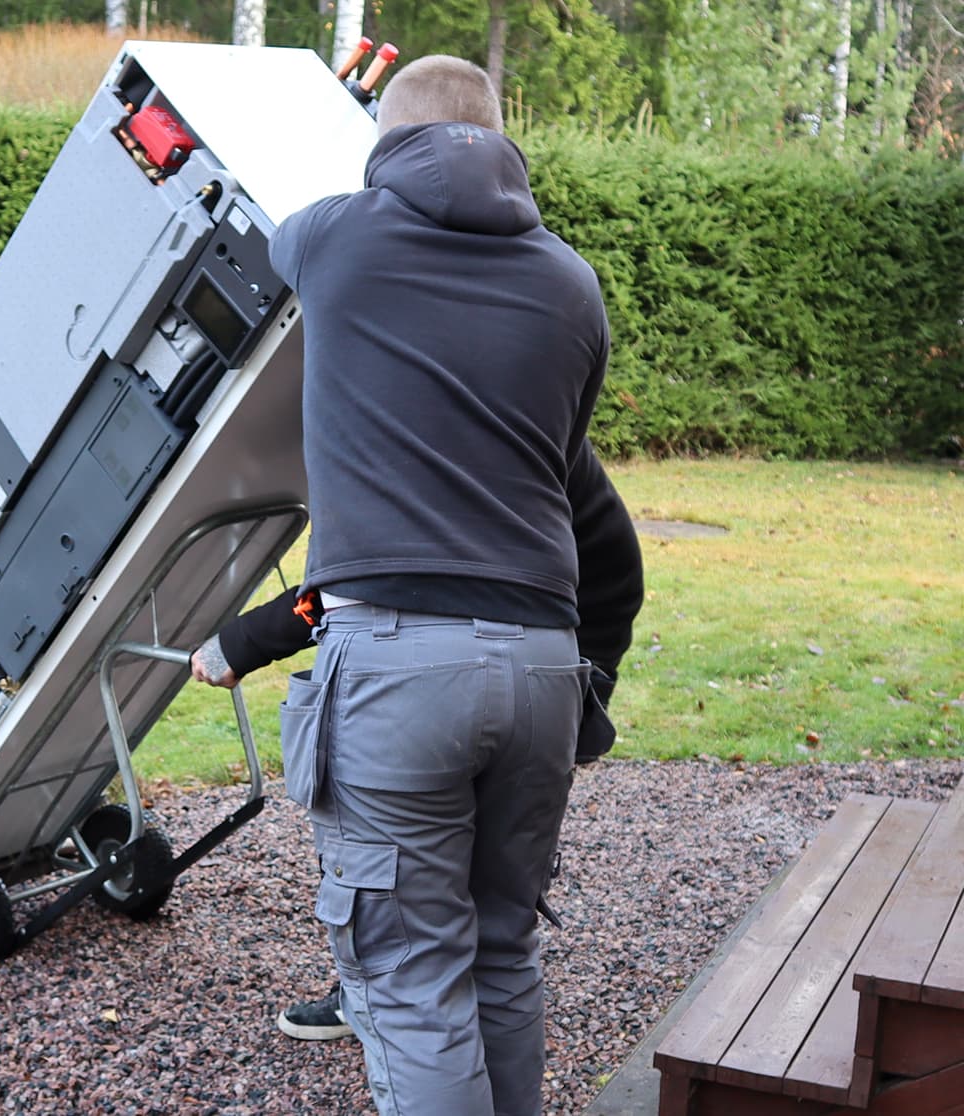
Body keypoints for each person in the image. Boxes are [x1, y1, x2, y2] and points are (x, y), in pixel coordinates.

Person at [187, 57, 645, 1115]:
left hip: (398, 667)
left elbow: (274, 230)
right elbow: (569, 473)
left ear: (384, 146)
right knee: (499, 957)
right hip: (541, 663)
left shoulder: (338, 236)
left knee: (407, 984)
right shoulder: (572, 284)